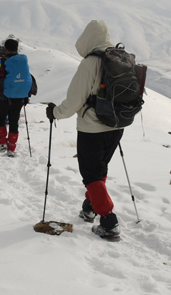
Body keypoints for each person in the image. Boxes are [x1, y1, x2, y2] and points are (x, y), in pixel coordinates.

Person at [46, 20, 124, 239]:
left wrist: (55, 113)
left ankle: (108, 221)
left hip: (92, 127)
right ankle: (89, 207)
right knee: (99, 169)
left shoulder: (91, 63)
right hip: (117, 125)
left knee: (91, 174)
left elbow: (73, 102)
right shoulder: (118, 58)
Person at [0, 38, 36, 157]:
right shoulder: (23, 61)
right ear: (17, 48)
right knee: (14, 121)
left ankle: (3, 143)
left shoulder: (1, 61)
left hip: (4, 96)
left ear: (5, 49)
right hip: (20, 97)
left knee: (0, 118)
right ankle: (11, 148)